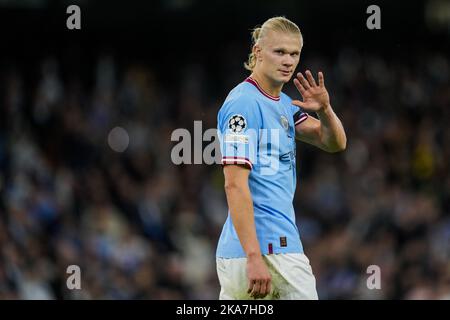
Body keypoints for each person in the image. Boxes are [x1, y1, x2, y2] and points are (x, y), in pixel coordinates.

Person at [216, 16, 347, 300]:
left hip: (255, 252)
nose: (288, 61)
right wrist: (253, 256)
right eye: (280, 52)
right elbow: (234, 184)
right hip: (268, 251)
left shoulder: (285, 105)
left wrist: (325, 109)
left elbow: (334, 142)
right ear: (258, 52)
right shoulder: (244, 103)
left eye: (294, 53)